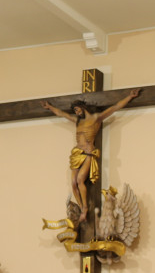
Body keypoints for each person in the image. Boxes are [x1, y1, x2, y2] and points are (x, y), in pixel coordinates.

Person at [40, 88, 142, 219]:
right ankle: (82, 205)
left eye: (77, 109)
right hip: (76, 153)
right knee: (73, 183)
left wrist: (130, 97)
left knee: (80, 180)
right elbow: (62, 114)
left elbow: (115, 107)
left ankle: (85, 209)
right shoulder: (78, 121)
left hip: (88, 153)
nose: (76, 112)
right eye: (75, 111)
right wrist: (49, 107)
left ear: (83, 107)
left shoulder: (96, 118)